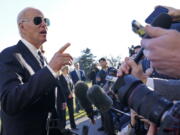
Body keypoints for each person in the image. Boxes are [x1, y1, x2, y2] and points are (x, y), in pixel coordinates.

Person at [0, 7, 73, 135]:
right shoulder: (9, 55)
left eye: (46, 21)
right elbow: (10, 102)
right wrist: (50, 70)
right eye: (38, 20)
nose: (44, 24)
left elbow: (48, 106)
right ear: (22, 26)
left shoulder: (43, 59)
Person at [58, 66, 78, 130]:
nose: (68, 70)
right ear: (63, 69)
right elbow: (61, 88)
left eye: (68, 69)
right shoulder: (60, 77)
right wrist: (68, 93)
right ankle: (63, 128)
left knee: (71, 112)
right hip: (63, 98)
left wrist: (72, 92)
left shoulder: (69, 76)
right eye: (67, 69)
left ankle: (73, 126)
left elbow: (72, 85)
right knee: (63, 113)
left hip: (71, 97)